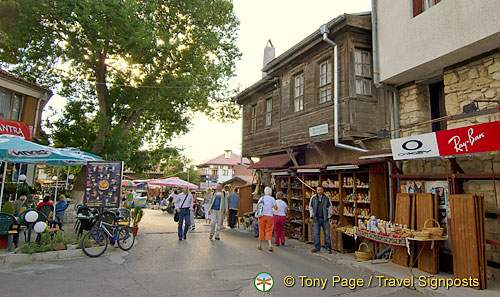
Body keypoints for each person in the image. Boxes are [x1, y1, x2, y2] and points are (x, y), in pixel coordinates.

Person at [309, 186, 333, 254]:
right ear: (316, 190)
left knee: (327, 233)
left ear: (323, 190)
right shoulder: (313, 198)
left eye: (321, 190)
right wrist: (312, 215)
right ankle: (317, 247)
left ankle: (328, 248)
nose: (319, 191)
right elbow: (311, 207)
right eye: (318, 190)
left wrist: (329, 215)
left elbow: (330, 206)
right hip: (316, 218)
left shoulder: (326, 198)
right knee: (316, 233)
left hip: (324, 218)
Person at [257, 187, 276, 252]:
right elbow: (275, 208)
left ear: (265, 192)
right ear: (270, 193)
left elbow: (257, 206)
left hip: (262, 216)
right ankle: (270, 245)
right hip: (269, 216)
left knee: (261, 229)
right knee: (269, 230)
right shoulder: (272, 199)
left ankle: (260, 245)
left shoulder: (261, 198)